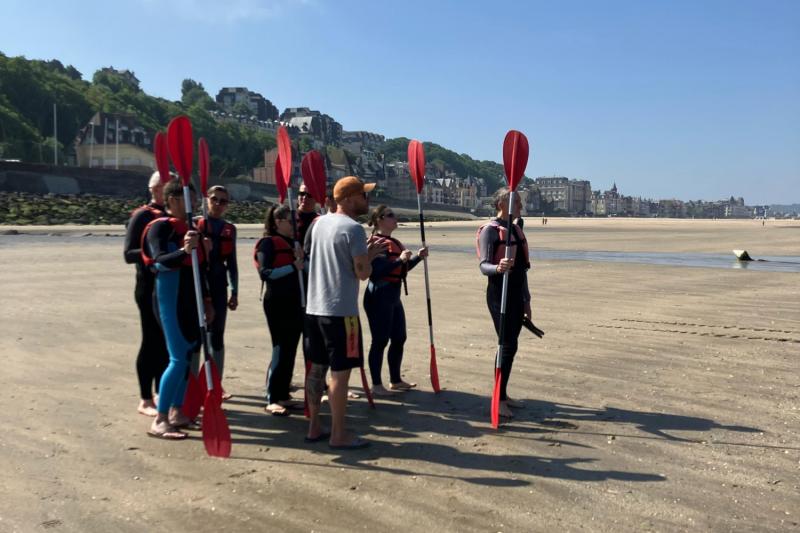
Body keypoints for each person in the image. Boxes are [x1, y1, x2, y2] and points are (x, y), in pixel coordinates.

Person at [304, 176, 385, 449]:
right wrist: (370, 257)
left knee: (316, 369)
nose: (367, 200)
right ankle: (339, 434)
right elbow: (362, 274)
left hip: (314, 308)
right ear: (349, 198)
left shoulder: (318, 224)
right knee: (340, 374)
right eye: (364, 195)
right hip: (341, 311)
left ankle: (314, 426)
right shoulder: (353, 229)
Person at [143, 179, 214, 440]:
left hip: (190, 299)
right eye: (189, 199)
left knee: (186, 355)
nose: (194, 204)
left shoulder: (191, 228)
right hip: (168, 298)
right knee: (176, 358)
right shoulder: (159, 229)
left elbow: (201, 269)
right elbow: (158, 262)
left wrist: (207, 301)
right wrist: (185, 250)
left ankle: (177, 412)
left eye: (194, 199)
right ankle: (160, 419)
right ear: (172, 199)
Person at [477, 188, 531, 419]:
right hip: (499, 292)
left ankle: (504, 394)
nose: (520, 204)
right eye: (516, 201)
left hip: (517, 291)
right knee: (505, 344)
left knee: (512, 345)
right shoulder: (490, 230)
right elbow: (483, 266)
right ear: (501, 203)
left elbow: (523, 269)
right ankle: (498, 399)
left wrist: (527, 300)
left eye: (520, 201)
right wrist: (497, 268)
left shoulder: (516, 229)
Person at [364, 205, 428, 395]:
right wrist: (400, 260)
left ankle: (395, 380)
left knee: (399, 338)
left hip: (393, 295)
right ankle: (376, 384)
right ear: (379, 220)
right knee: (380, 340)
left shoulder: (393, 241)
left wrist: (417, 258)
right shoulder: (376, 243)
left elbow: (400, 271)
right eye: (390, 215)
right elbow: (377, 272)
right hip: (379, 296)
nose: (395, 217)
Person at [123, 172, 169, 417]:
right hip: (147, 286)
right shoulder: (142, 215)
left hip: (166, 287)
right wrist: (154, 254)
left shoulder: (170, 216)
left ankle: (161, 391)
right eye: (163, 185)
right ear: (154, 188)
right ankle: (144, 398)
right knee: (150, 340)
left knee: (163, 342)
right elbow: (128, 253)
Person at [255, 205, 305, 416]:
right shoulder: (267, 244)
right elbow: (266, 273)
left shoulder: (293, 243)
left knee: (291, 347)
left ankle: (284, 393)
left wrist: (301, 261)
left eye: (297, 221)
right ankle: (273, 397)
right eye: (291, 221)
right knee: (281, 346)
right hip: (276, 301)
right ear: (278, 222)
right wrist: (294, 266)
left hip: (295, 300)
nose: (296, 225)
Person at [196, 185, 238, 397]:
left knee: (217, 337)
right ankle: (193, 386)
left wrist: (235, 291)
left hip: (219, 287)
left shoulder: (230, 228)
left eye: (224, 201)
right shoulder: (195, 224)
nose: (219, 204)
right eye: (215, 199)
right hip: (197, 285)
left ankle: (216, 385)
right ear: (207, 200)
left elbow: (232, 263)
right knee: (196, 338)